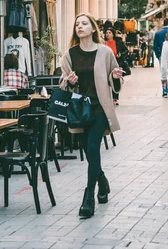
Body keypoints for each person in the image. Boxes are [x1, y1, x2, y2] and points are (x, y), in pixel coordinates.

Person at [60, 13, 124, 219]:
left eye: (84, 23)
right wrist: (69, 81)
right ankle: (103, 181)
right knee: (89, 152)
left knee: (92, 147)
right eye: (77, 23)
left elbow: (117, 81)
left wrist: (115, 77)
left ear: (92, 29)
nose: (80, 26)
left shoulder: (105, 52)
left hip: (99, 109)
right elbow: (63, 83)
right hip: (80, 111)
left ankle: (88, 197)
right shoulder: (69, 55)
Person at [104, 27, 127, 105]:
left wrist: (120, 55)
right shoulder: (103, 43)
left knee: (115, 80)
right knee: (105, 81)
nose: (108, 34)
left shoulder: (118, 42)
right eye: (106, 33)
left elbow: (125, 50)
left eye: (109, 33)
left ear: (113, 34)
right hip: (106, 64)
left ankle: (115, 98)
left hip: (116, 63)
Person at [154, 18, 168, 97]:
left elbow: (155, 46)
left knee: (163, 73)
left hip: (162, 55)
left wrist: (158, 55)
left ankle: (165, 91)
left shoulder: (158, 33)